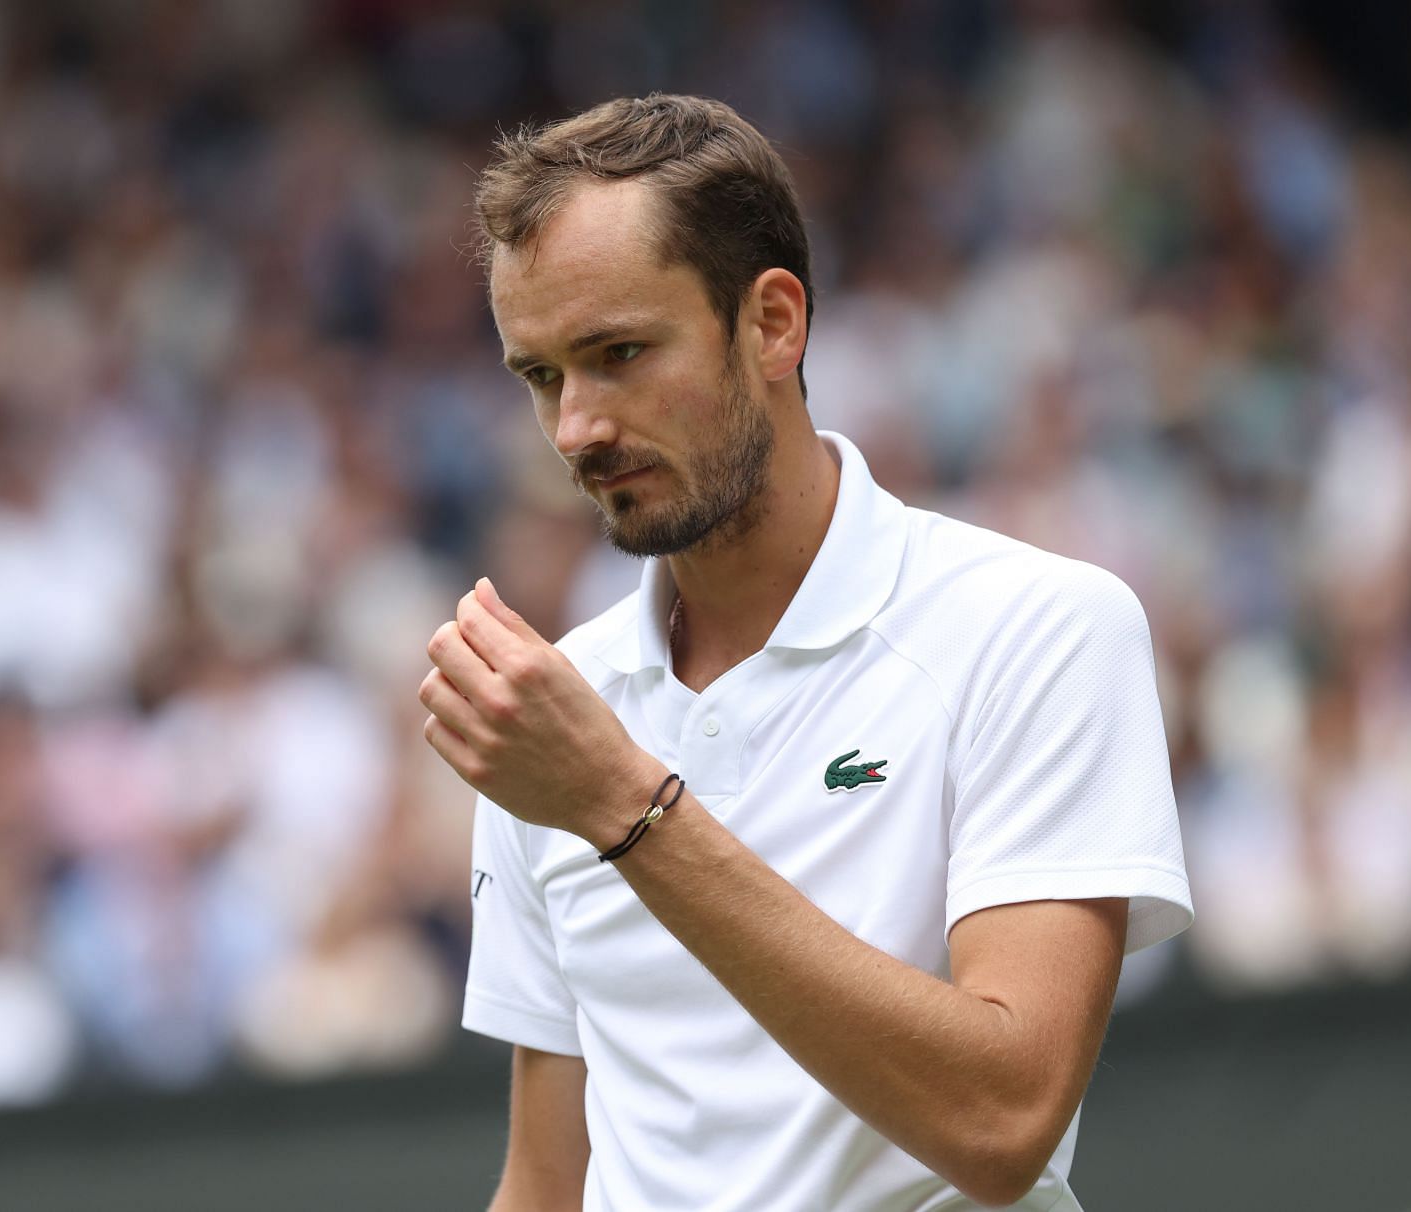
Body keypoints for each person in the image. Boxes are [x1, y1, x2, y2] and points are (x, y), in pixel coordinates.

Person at [420, 94, 1193, 1212]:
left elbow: (1005, 1119)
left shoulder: (1042, 626)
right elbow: (548, 1183)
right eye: (540, 376)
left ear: (774, 323)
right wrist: (591, 781)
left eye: (619, 353)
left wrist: (625, 805)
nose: (577, 427)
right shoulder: (557, 712)